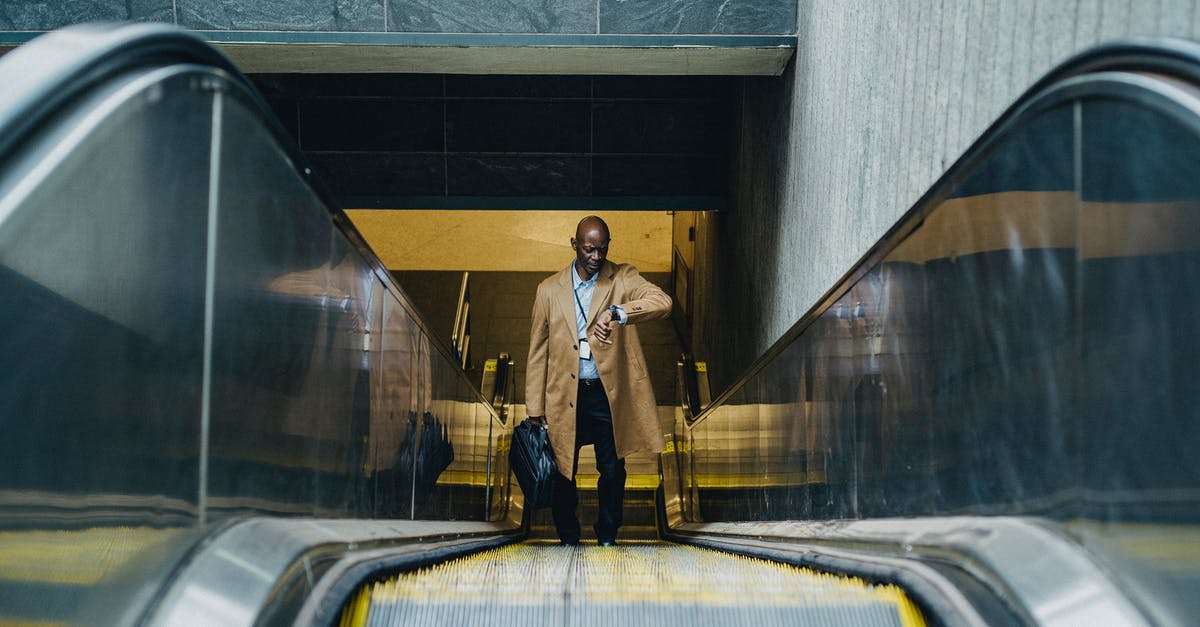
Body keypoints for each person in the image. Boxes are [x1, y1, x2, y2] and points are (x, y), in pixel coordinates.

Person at [525, 215, 671, 546]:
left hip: (608, 395)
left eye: (602, 250)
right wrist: (535, 407)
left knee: (613, 470)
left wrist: (619, 312)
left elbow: (662, 302)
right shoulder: (548, 290)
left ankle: (607, 533)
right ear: (574, 245)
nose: (596, 257)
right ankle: (568, 536)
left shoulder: (622, 277)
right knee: (563, 470)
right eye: (589, 249)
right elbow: (537, 352)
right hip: (564, 396)